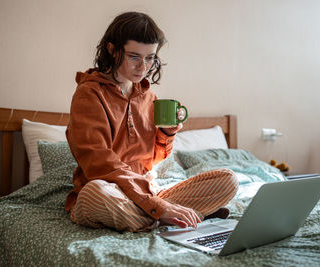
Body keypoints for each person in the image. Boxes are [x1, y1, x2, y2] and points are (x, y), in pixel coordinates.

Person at [64, 11, 238, 232]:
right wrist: (156, 205)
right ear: (112, 49)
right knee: (94, 193)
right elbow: (99, 162)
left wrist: (166, 133)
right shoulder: (89, 94)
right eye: (134, 56)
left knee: (228, 180)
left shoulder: (149, 98)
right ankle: (164, 216)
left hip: (148, 194)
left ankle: (157, 215)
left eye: (150, 58)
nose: (143, 67)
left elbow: (152, 159)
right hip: (109, 193)